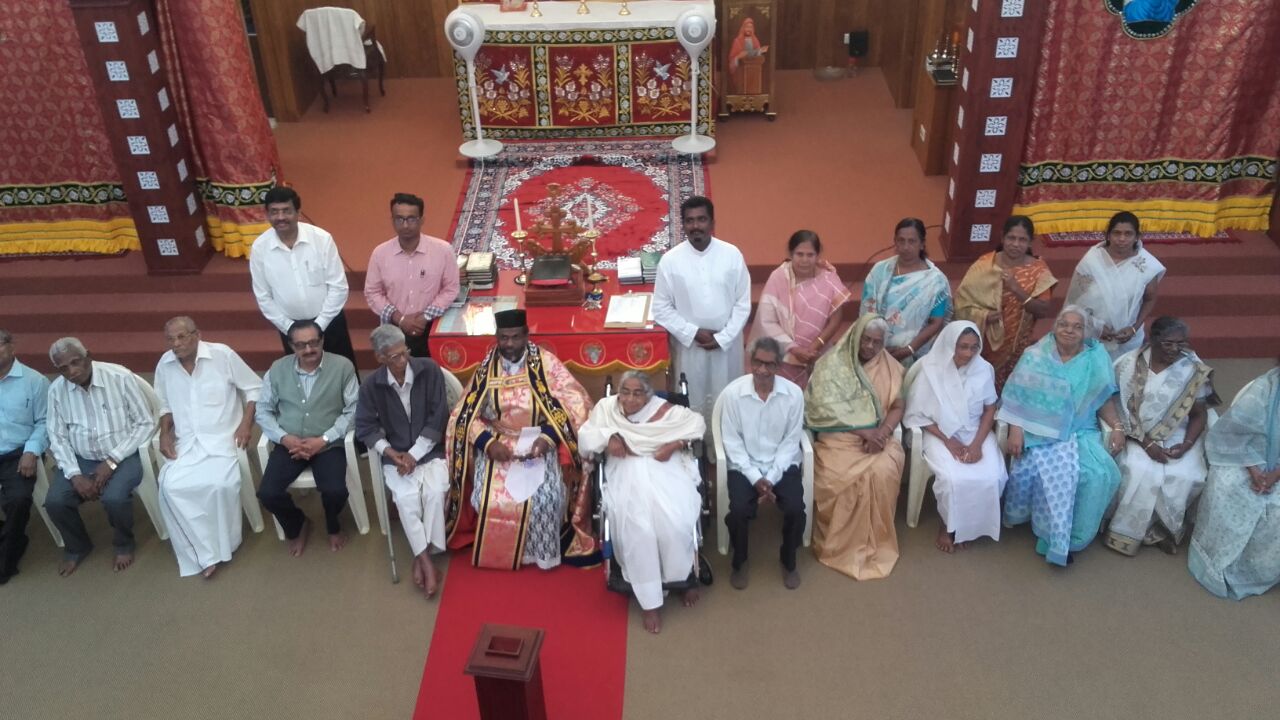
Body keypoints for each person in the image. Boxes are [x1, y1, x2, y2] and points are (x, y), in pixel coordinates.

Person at [446, 309, 593, 570]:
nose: (509, 344)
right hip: (499, 441)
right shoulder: (487, 369)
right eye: (504, 338)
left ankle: (539, 554)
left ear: (527, 335)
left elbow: (575, 403)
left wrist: (548, 438)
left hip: (537, 441)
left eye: (515, 337)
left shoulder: (546, 363)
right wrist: (487, 444)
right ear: (497, 337)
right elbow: (463, 414)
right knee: (485, 499)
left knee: (546, 499)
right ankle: (505, 552)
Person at [578, 370, 705, 634]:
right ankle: (650, 602)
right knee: (640, 529)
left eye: (637, 393)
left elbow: (697, 425)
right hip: (626, 467)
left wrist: (673, 445)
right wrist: (609, 438)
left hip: (663, 464)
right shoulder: (606, 408)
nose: (630, 399)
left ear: (648, 395)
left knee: (675, 521)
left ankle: (680, 579)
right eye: (625, 392)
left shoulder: (666, 410)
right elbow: (587, 435)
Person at [999, 306, 1125, 566]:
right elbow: (1015, 399)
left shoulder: (1094, 359)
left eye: (1077, 326)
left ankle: (1074, 537)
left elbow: (1102, 399)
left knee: (1102, 475)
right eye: (1063, 324)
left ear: (1085, 332)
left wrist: (1117, 427)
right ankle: (1055, 537)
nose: (1069, 330)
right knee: (1061, 475)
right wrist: (1016, 429)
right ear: (1054, 327)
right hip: (1039, 432)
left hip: (1080, 431)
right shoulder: (1035, 356)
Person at [153, 317, 261, 579]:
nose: (176, 344)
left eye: (182, 337)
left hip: (223, 440)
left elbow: (255, 388)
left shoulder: (222, 355)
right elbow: (164, 405)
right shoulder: (164, 365)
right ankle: (202, 553)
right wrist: (165, 434)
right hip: (188, 444)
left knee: (220, 486)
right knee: (170, 488)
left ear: (197, 335)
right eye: (170, 339)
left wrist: (246, 425)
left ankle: (223, 546)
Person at [1104, 317, 1216, 557]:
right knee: (1139, 470)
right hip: (1136, 434)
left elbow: (1198, 415)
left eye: (1180, 343)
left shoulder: (1192, 368)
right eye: (1168, 343)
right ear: (1152, 340)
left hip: (1178, 433)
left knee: (1185, 474)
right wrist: (1147, 443)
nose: (1175, 349)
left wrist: (1186, 446)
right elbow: (1119, 409)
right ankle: (1128, 533)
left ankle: (1160, 531)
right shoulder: (1129, 365)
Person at [355, 325, 452, 599]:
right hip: (395, 457)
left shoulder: (428, 370)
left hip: (430, 451)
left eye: (404, 352)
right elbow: (365, 427)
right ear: (380, 358)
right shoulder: (371, 385)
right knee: (407, 499)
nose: (402, 360)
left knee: (434, 493)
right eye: (394, 357)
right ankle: (426, 562)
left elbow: (439, 416)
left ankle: (423, 556)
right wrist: (390, 452)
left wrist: (415, 454)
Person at [806, 315, 905, 579]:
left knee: (884, 470)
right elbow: (821, 411)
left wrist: (882, 433)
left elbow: (897, 406)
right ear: (855, 334)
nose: (870, 347)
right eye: (867, 339)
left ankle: (876, 541)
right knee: (837, 475)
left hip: (878, 436)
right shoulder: (831, 365)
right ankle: (837, 545)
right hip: (838, 436)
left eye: (877, 342)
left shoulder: (891, 367)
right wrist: (864, 432)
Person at [44, 338, 155, 576]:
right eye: (63, 368)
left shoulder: (119, 377)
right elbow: (57, 437)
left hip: (123, 453)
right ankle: (77, 547)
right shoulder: (56, 391)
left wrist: (112, 460)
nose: (72, 371)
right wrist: (74, 475)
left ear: (89, 356)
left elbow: (145, 423)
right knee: (55, 501)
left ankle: (124, 543)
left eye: (76, 362)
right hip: (81, 458)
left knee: (114, 499)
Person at [255, 320, 358, 556]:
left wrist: (324, 438)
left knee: (335, 490)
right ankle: (297, 524)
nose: (308, 350)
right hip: (289, 444)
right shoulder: (277, 369)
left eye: (313, 342)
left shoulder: (343, 366)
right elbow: (263, 410)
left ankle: (333, 525)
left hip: (327, 444)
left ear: (322, 340)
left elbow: (353, 409)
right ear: (292, 346)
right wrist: (283, 438)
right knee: (268, 494)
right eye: (301, 345)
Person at [904, 321, 1006, 553]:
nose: (969, 353)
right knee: (954, 478)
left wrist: (977, 444)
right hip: (938, 432)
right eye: (962, 347)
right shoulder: (931, 370)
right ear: (951, 345)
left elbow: (990, 409)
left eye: (973, 347)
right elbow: (918, 414)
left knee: (994, 476)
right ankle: (947, 526)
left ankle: (968, 527)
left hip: (975, 431)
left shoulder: (983, 369)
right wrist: (950, 442)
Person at [652, 196, 752, 425]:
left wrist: (723, 337)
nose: (696, 226)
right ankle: (695, 452)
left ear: (712, 223)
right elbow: (661, 307)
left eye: (701, 219)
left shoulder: (732, 254)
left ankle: (726, 452)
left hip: (727, 347)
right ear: (683, 225)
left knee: (727, 401)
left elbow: (743, 302)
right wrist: (693, 332)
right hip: (691, 348)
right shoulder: (670, 261)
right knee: (693, 401)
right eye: (690, 221)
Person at [719, 337, 806, 590]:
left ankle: (788, 560)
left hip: (782, 464)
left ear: (779, 366)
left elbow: (791, 443)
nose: (762, 370)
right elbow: (731, 443)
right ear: (750, 362)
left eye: (769, 365)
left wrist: (773, 476)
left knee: (795, 509)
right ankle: (740, 560)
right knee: (737, 511)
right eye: (757, 362)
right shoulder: (734, 395)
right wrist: (755, 477)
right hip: (744, 465)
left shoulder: (794, 395)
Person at [1188, 364, 1280, 600]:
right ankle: (1215, 561)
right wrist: (1255, 471)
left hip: (1276, 470)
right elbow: (1232, 434)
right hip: (1246, 458)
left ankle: (1259, 571)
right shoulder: (1263, 389)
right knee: (1227, 488)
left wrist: (1275, 474)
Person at [249, 186, 358, 369]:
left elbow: (338, 287)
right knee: (304, 383)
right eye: (274, 212)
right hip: (291, 329)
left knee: (344, 376)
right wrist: (290, 328)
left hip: (330, 323)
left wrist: (319, 325)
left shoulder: (321, 239)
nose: (281, 217)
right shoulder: (260, 248)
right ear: (267, 215)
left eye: (286, 211)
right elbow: (263, 296)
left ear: (298, 212)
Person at [954, 215, 1057, 390]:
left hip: (1016, 347)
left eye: (1022, 239)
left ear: (1030, 242)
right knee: (978, 388)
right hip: (983, 342)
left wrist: (1017, 289)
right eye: (1011, 238)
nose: (1016, 244)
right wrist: (984, 316)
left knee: (1007, 389)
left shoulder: (1038, 270)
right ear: (1002, 238)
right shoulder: (985, 264)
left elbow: (1042, 310)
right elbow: (961, 303)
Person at [746, 230, 851, 388]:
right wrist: (794, 349)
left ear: (818, 255)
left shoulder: (829, 278)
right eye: (799, 254)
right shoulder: (779, 277)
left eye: (810, 255)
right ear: (791, 253)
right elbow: (767, 320)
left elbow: (836, 319)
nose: (804, 260)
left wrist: (813, 348)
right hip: (783, 356)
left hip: (817, 354)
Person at [364, 192, 460, 359]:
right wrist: (400, 319)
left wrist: (425, 316)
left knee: (432, 377)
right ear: (392, 220)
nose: (406, 225)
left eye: (411, 219)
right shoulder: (380, 253)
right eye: (399, 219)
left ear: (421, 220)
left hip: (431, 326)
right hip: (394, 328)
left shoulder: (443, 250)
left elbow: (451, 288)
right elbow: (372, 292)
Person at [1064, 211, 1165, 359]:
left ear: (1137, 237)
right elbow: (1074, 299)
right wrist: (1095, 326)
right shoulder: (1092, 260)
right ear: (1108, 235)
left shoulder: (1146, 266)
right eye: (1116, 233)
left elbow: (1150, 298)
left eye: (1128, 234)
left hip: (1126, 340)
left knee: (1121, 380)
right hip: (1089, 334)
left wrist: (1134, 328)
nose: (1121, 239)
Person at [860, 218, 952, 365]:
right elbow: (867, 310)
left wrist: (909, 349)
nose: (905, 247)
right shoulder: (880, 271)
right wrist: (875, 343)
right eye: (901, 241)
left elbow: (936, 322)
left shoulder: (935, 281)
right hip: (873, 348)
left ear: (922, 244)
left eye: (912, 241)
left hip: (912, 354)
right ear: (895, 242)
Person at [0, 330, 50, 584]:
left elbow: (44, 422)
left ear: (11, 346)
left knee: (18, 500)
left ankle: (7, 558)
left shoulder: (34, 381)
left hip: (19, 452)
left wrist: (32, 450)